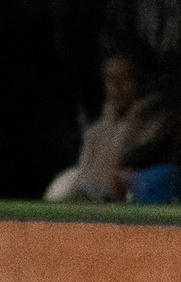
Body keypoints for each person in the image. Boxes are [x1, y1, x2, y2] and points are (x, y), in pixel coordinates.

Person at [47, 45, 169, 203]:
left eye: (124, 78)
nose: (116, 86)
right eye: (110, 78)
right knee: (67, 182)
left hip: (131, 209)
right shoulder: (95, 132)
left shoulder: (160, 126)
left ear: (142, 81)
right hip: (89, 207)